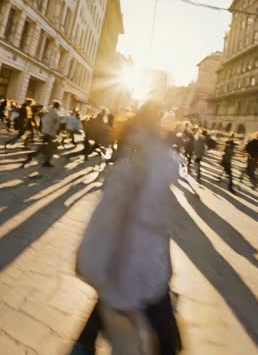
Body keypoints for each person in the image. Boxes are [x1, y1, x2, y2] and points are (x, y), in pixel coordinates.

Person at [76, 100, 182, 355]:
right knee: (162, 330)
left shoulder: (136, 146)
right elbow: (144, 206)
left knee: (111, 298)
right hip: (138, 247)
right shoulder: (148, 152)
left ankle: (82, 345)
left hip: (130, 246)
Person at [21, 101, 61, 168]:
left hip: (45, 131)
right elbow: (57, 122)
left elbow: (43, 119)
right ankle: (45, 162)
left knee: (45, 146)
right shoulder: (55, 112)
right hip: (50, 132)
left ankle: (32, 155)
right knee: (51, 148)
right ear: (58, 106)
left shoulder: (48, 110)